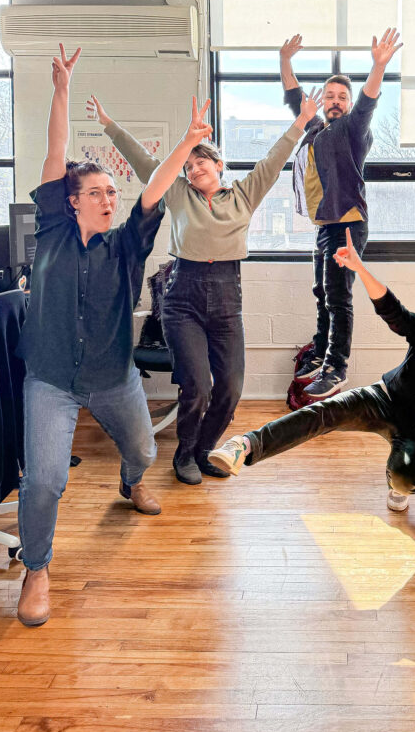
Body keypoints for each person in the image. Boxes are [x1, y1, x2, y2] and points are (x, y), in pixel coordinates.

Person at [16, 46, 206, 628]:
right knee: (46, 480)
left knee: (146, 451)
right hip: (50, 378)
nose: (109, 199)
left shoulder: (127, 245)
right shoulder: (51, 230)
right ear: (71, 203)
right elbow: (54, 151)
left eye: (111, 194)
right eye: (97, 193)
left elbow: (154, 188)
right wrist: (62, 89)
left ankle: (130, 483)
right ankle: (36, 566)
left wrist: (187, 141)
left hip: (111, 376)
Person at [87, 89, 322, 486]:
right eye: (189, 165)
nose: (194, 170)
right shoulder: (179, 194)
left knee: (230, 387)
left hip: (228, 295)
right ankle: (184, 454)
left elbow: (274, 159)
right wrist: (110, 126)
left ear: (219, 165)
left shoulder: (244, 195)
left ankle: (203, 449)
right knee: (196, 385)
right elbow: (146, 164)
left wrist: (300, 122)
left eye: (201, 163)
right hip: (184, 297)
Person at [208, 227, 415, 530]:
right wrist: (359, 268)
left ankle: (398, 484)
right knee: (321, 413)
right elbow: (391, 309)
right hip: (383, 399)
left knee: (407, 478)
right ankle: (244, 445)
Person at [281, 29, 403, 399]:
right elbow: (293, 97)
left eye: (341, 97)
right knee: (323, 291)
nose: (335, 101)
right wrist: (285, 61)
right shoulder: (316, 126)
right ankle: (320, 352)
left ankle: (336, 367)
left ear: (348, 104)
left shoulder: (352, 128)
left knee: (337, 295)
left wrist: (377, 65)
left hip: (348, 222)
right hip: (327, 223)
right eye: (329, 96)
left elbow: (368, 101)